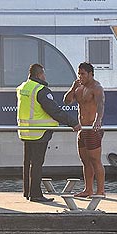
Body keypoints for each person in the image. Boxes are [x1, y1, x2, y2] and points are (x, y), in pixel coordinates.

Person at [17, 63, 81, 202]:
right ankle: (36, 195)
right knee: (37, 164)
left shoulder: (23, 87)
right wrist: (73, 123)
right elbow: (54, 110)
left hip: (26, 131)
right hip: (40, 132)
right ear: (39, 74)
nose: (45, 76)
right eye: (43, 74)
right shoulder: (41, 90)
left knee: (28, 163)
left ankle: (27, 192)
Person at [63, 62, 105, 197]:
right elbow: (66, 101)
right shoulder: (79, 87)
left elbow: (100, 105)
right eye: (79, 74)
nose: (80, 76)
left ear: (91, 74)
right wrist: (73, 87)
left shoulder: (96, 87)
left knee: (95, 160)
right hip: (82, 130)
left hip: (92, 129)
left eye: (83, 74)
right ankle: (88, 189)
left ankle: (100, 191)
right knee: (85, 160)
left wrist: (98, 120)